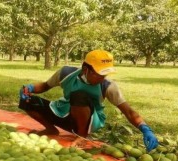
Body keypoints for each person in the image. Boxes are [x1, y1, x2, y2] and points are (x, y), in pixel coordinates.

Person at [18, 50, 158, 151]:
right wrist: (28, 88)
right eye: (99, 74)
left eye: (105, 74)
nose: (102, 78)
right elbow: (44, 86)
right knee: (28, 101)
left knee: (79, 95)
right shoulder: (66, 74)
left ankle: (82, 136)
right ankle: (51, 129)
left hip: (89, 120)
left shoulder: (108, 86)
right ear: (85, 69)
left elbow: (128, 112)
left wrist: (146, 129)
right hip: (65, 112)